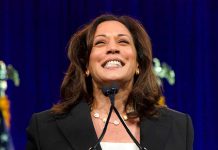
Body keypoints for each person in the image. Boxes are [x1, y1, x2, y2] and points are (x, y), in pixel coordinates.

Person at [26, 14, 194, 150]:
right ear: (86, 66)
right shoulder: (46, 128)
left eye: (123, 41)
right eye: (100, 42)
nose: (113, 48)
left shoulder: (177, 127)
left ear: (138, 64)